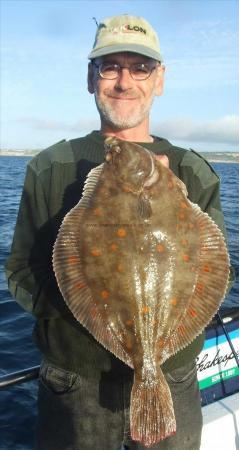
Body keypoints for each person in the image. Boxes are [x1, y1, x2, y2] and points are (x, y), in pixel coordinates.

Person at [5, 14, 235, 450]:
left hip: (174, 379)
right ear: (91, 79)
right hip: (76, 386)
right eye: (110, 66)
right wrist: (89, 309)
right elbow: (20, 271)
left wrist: (176, 201)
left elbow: (220, 273)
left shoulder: (194, 172)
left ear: (159, 79)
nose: (124, 81)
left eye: (140, 67)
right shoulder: (48, 167)